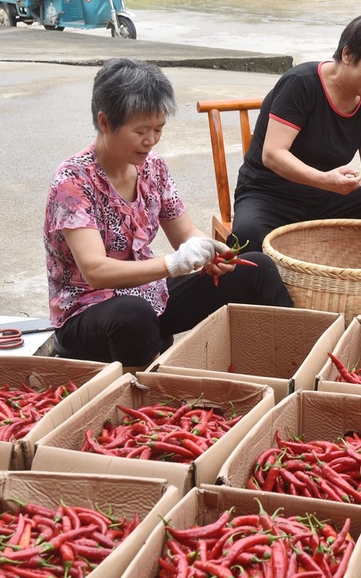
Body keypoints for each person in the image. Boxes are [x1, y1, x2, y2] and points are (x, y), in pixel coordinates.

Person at [44, 57, 293, 369]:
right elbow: (96, 271)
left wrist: (211, 251)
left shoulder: (153, 166)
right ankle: (144, 392)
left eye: (158, 129)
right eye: (141, 131)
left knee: (256, 267)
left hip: (148, 298)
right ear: (105, 122)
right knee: (134, 316)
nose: (150, 140)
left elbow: (184, 232)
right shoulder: (73, 181)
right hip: (88, 314)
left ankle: (289, 367)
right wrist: (172, 264)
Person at [229, 13, 361, 252]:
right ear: (347, 54)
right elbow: (273, 154)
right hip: (270, 196)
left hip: (325, 197)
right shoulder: (301, 83)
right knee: (248, 235)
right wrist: (325, 180)